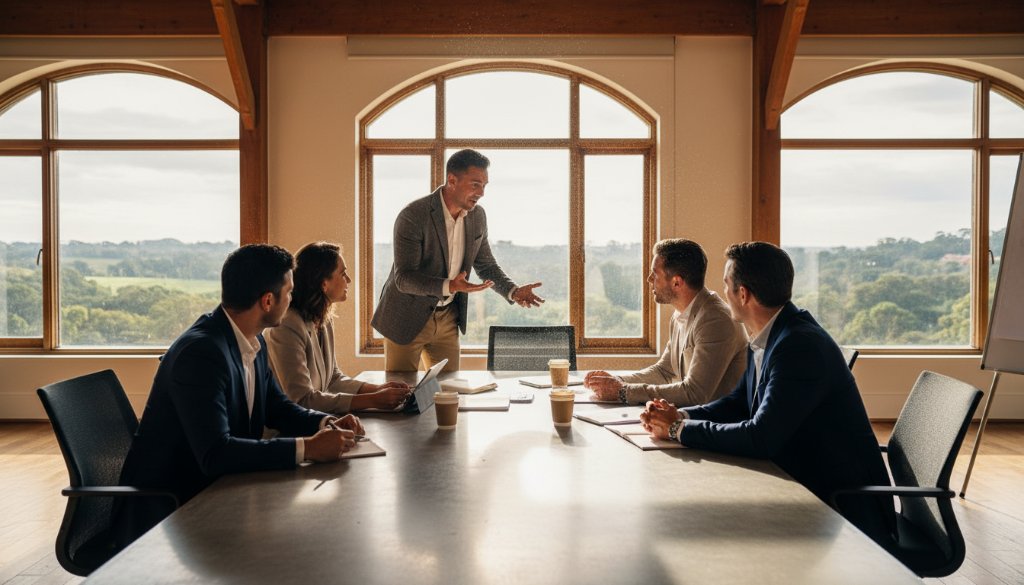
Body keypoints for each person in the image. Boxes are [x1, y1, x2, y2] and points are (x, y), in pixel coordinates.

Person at [640, 241, 895, 548]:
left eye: (726, 285)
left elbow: (761, 437)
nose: (722, 293)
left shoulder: (798, 346)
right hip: (799, 479)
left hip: (838, 506)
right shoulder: (773, 334)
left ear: (743, 294)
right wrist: (681, 415)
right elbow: (739, 403)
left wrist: (678, 429)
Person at [113, 244, 365, 547]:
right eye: (289, 293)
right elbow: (216, 453)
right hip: (172, 512)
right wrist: (308, 449)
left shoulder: (250, 339)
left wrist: (325, 423)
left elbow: (279, 408)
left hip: (224, 491)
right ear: (268, 301)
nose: (292, 300)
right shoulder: (201, 354)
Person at [371, 148, 544, 372]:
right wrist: (449, 285)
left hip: (448, 319)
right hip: (406, 317)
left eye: (484, 185)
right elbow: (404, 278)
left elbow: (486, 264)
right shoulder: (413, 215)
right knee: (400, 395)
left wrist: (513, 291)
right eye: (475, 184)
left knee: (450, 392)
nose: (481, 192)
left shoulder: (477, 216)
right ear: (452, 180)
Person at [584, 238, 747, 406]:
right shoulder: (680, 314)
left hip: (718, 425)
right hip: (694, 419)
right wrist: (615, 381)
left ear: (676, 282)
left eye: (655, 274)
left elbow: (695, 393)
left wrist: (623, 391)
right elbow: (664, 371)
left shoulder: (715, 320)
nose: (649, 279)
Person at [265, 242, 412, 413]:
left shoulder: (323, 318)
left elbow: (333, 379)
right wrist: (372, 400)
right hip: (286, 432)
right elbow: (302, 400)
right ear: (323, 283)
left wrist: (378, 389)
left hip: (315, 423)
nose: (348, 280)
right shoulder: (287, 325)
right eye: (343, 274)